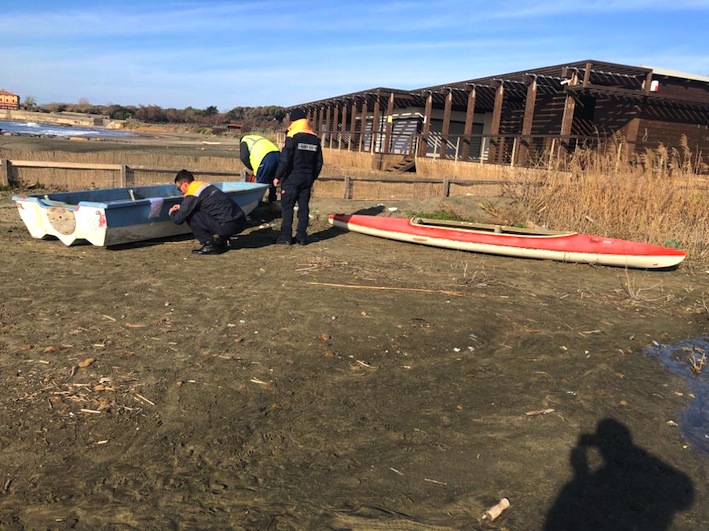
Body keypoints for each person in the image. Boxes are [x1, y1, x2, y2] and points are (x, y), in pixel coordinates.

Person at [273, 108, 323, 245]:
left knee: (287, 208)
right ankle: (301, 237)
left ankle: (286, 237)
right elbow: (319, 162)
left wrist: (277, 176)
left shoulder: (293, 135)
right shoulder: (314, 138)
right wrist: (312, 177)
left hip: (291, 177)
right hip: (307, 178)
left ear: (293, 120)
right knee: (303, 208)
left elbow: (285, 159)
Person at [168, 169, 247, 255]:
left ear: (185, 184)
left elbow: (178, 219)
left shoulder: (192, 193)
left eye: (179, 189)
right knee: (215, 211)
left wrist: (172, 212)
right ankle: (224, 240)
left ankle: (209, 244)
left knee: (191, 214)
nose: (181, 193)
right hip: (240, 222)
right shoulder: (205, 185)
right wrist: (183, 207)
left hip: (227, 227)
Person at [239, 134, 280, 203]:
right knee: (273, 179)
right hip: (278, 154)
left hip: (265, 158)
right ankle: (272, 201)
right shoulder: (257, 138)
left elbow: (244, 157)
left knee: (261, 183)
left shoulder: (244, 140)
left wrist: (251, 168)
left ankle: (257, 203)